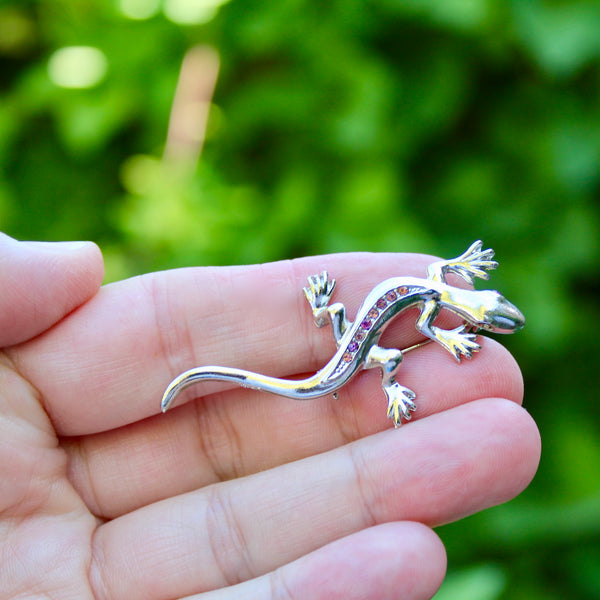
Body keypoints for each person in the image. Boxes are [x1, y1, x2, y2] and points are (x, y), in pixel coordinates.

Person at [0, 233, 540, 600]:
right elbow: (428, 312)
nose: (492, 317)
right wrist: (445, 333)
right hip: (355, 356)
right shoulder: (435, 296)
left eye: (488, 314)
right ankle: (388, 386)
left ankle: (334, 318)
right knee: (393, 357)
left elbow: (438, 281)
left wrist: (451, 298)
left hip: (350, 338)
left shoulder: (437, 284)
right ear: (478, 305)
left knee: (380, 352)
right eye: (490, 314)